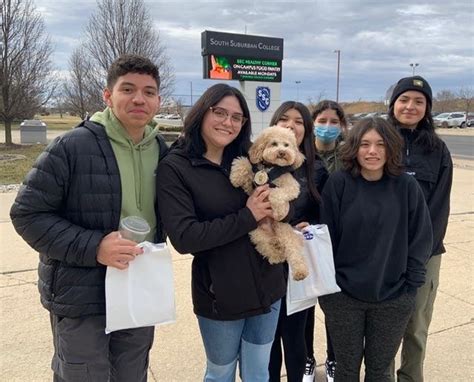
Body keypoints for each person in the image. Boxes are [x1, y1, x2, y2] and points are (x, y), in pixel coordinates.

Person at [10, 54, 168, 382]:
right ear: (108, 96)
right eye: (128, 89)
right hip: (82, 294)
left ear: (158, 101)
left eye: (149, 92)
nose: (139, 98)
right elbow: (27, 213)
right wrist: (95, 246)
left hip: (140, 288)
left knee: (131, 374)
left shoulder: (165, 153)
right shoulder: (72, 146)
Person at [155, 83, 286, 382]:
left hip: (268, 286)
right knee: (220, 373)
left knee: (258, 373)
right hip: (220, 294)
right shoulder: (176, 168)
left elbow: (283, 195)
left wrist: (288, 214)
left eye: (236, 117)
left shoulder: (250, 161)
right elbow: (185, 238)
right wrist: (247, 216)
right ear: (202, 113)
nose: (228, 122)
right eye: (219, 112)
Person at [318, 117, 433, 381]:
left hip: (393, 297)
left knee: (380, 370)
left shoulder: (406, 186)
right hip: (343, 298)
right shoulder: (338, 183)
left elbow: (421, 239)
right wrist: (331, 291)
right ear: (354, 148)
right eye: (365, 144)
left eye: (380, 144)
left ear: (391, 148)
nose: (372, 151)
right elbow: (327, 239)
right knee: (346, 369)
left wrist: (409, 288)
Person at [387, 76, 453, 382]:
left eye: (418, 101)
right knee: (384, 328)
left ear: (426, 109)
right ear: (393, 104)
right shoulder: (377, 142)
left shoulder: (438, 150)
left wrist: (419, 252)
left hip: (425, 254)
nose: (410, 106)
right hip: (383, 254)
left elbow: (439, 208)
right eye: (404, 100)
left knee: (415, 328)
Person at [267, 101, 328, 382]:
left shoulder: (317, 170)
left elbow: (326, 216)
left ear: (307, 129)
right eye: (284, 119)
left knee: (295, 339)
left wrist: (311, 227)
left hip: (298, 262)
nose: (290, 125)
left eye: (298, 121)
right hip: (265, 261)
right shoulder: (260, 164)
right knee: (267, 339)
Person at [304, 99, 348, 382]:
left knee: (336, 306)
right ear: (312, 124)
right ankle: (308, 359)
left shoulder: (349, 157)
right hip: (307, 239)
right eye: (322, 121)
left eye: (334, 122)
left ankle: (334, 359)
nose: (327, 127)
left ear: (342, 126)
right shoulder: (302, 156)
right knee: (305, 306)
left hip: (339, 242)